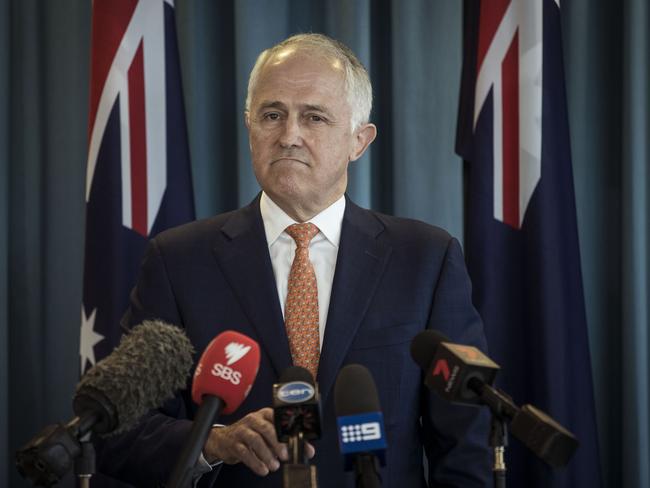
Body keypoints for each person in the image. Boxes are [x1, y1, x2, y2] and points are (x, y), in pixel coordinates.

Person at [97, 33, 491, 487]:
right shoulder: (178, 259)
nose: (289, 136)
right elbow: (117, 432)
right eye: (272, 114)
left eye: (315, 117)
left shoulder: (426, 259)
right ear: (250, 126)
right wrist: (212, 443)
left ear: (359, 141)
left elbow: (466, 445)